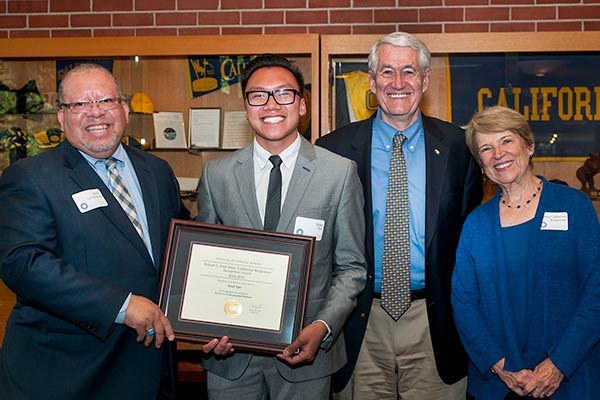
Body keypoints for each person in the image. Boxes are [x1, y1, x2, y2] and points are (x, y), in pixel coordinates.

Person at [0, 63, 189, 399]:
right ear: (61, 117)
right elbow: (23, 263)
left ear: (125, 110)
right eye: (80, 104)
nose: (95, 112)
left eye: (106, 100)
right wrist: (122, 304)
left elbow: (182, 247)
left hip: (150, 364)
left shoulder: (157, 172)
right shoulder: (31, 177)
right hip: (70, 373)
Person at [316, 31, 483, 399]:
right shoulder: (333, 150)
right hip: (359, 321)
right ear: (372, 82)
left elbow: (470, 240)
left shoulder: (459, 148)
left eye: (409, 71)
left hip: (434, 322)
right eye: (386, 72)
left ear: (425, 79)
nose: (398, 83)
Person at [196, 54, 367, 400]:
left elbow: (352, 268)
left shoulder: (339, 173)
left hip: (306, 355)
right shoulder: (218, 175)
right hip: (231, 358)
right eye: (258, 95)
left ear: (302, 105)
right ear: (246, 107)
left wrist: (322, 327)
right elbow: (204, 264)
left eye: (284, 94)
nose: (271, 104)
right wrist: (208, 326)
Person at [452, 106, 600, 400]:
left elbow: (596, 291)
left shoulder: (574, 207)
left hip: (569, 379)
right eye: (486, 148)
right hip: (498, 383)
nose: (498, 154)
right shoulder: (476, 224)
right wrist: (500, 364)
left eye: (506, 140)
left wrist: (558, 364)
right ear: (481, 163)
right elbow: (464, 301)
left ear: (529, 145)